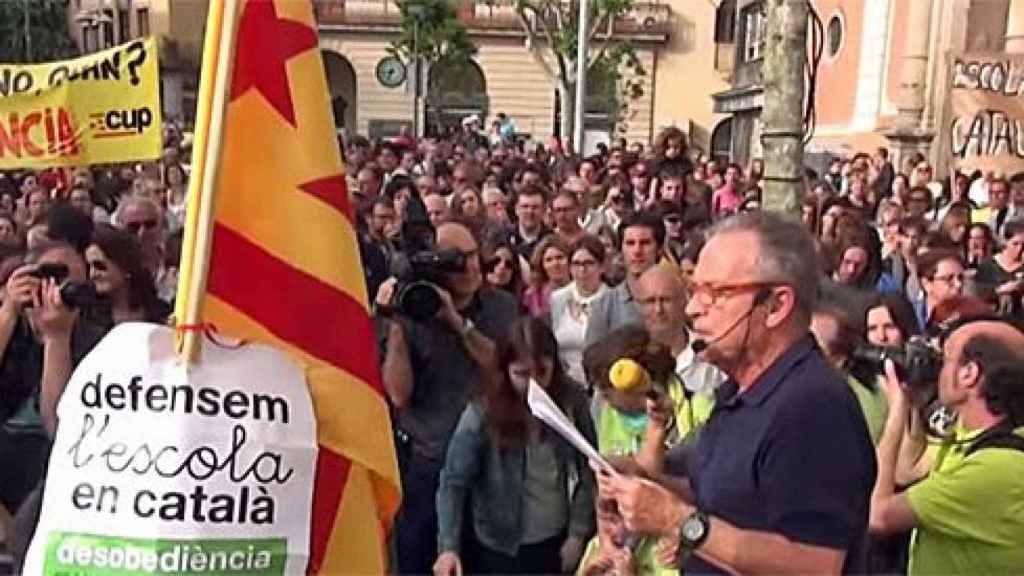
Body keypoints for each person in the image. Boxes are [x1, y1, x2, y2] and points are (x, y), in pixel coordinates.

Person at [597, 211, 876, 574]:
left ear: (776, 305)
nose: (694, 309)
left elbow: (816, 563)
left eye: (716, 293)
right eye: (695, 290)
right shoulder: (738, 389)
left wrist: (677, 521)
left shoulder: (813, 406)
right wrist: (646, 485)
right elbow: (724, 501)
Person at [376, 220, 520, 575]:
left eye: (473, 257)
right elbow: (398, 394)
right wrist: (396, 322)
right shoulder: (413, 309)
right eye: (455, 261)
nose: (470, 268)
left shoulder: (502, 307)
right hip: (427, 463)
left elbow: (503, 371)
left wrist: (456, 322)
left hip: (489, 467)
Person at [433, 317, 596, 575]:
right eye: (522, 374)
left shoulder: (571, 401)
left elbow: (590, 468)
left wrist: (577, 534)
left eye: (541, 372)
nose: (534, 384)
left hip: (555, 541)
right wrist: (448, 548)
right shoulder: (483, 411)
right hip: (500, 546)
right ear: (505, 370)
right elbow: (454, 480)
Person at [869, 317, 1024, 574]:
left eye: (945, 358)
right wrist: (912, 406)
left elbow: (879, 516)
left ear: (969, 373)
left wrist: (895, 409)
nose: (936, 368)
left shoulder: (995, 467)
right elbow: (907, 469)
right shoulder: (973, 435)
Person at [0, 242, 107, 515]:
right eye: (52, 276)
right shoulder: (9, 328)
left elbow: (57, 425)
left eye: (71, 279)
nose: (59, 289)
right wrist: (9, 309)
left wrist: (56, 338)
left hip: (52, 469)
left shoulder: (96, 341)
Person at [637, 266, 724, 398]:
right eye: (650, 301)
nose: (658, 310)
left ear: (684, 301)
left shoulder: (712, 354)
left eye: (666, 300)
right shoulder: (626, 356)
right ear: (638, 306)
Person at [549, 235, 611, 384]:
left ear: (602, 266)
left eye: (589, 263)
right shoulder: (557, 299)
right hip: (565, 384)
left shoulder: (611, 300)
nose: (582, 270)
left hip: (601, 384)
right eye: (576, 264)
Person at [86, 226, 171, 326]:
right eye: (89, 266)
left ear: (124, 265)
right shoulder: (87, 317)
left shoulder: (161, 313)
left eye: (100, 266)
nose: (92, 274)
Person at [973, 220, 1024, 319]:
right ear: (1005, 241)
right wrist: (1000, 290)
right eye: (1015, 244)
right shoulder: (988, 266)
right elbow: (977, 293)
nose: (1019, 249)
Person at [523, 235, 571, 318]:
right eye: (549, 260)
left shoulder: (582, 290)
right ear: (542, 265)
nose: (555, 264)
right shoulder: (533, 296)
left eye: (560, 257)